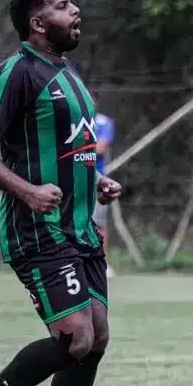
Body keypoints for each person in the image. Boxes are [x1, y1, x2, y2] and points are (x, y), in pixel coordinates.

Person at [0, 0, 121, 386]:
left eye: (72, 3)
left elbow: (70, 150)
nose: (75, 10)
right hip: (37, 229)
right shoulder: (16, 73)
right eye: (62, 5)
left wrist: (97, 178)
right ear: (37, 21)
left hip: (79, 229)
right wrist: (25, 191)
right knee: (74, 339)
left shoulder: (68, 74)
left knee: (97, 339)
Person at [92, 112, 115, 277]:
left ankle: (103, 264)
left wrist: (77, 147)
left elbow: (100, 148)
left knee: (99, 225)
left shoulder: (103, 122)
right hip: (70, 177)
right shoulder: (71, 116)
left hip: (96, 179)